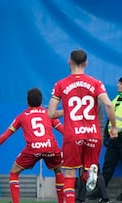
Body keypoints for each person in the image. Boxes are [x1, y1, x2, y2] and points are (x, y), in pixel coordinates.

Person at [47, 49, 118, 203]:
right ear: (86, 63)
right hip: (93, 134)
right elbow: (107, 104)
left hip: (73, 135)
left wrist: (67, 110)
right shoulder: (96, 83)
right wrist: (113, 127)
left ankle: (85, 177)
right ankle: (88, 173)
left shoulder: (60, 84)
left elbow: (50, 114)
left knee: (70, 174)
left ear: (69, 61)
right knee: (89, 167)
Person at [0, 88, 64, 203]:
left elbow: (5, 135)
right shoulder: (48, 114)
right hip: (51, 147)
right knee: (58, 171)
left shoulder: (22, 116)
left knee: (14, 173)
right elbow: (64, 131)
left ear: (27, 102)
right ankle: (62, 201)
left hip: (33, 149)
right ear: (42, 102)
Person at [76, 102, 110, 203]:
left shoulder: (85, 101)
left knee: (91, 168)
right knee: (91, 167)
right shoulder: (96, 101)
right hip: (93, 138)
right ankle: (82, 198)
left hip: (86, 137)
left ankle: (103, 198)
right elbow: (101, 122)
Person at [101, 77, 122, 201]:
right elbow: (110, 118)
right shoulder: (115, 99)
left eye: (120, 84)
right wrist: (105, 135)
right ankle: (100, 192)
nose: (118, 85)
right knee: (108, 166)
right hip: (114, 138)